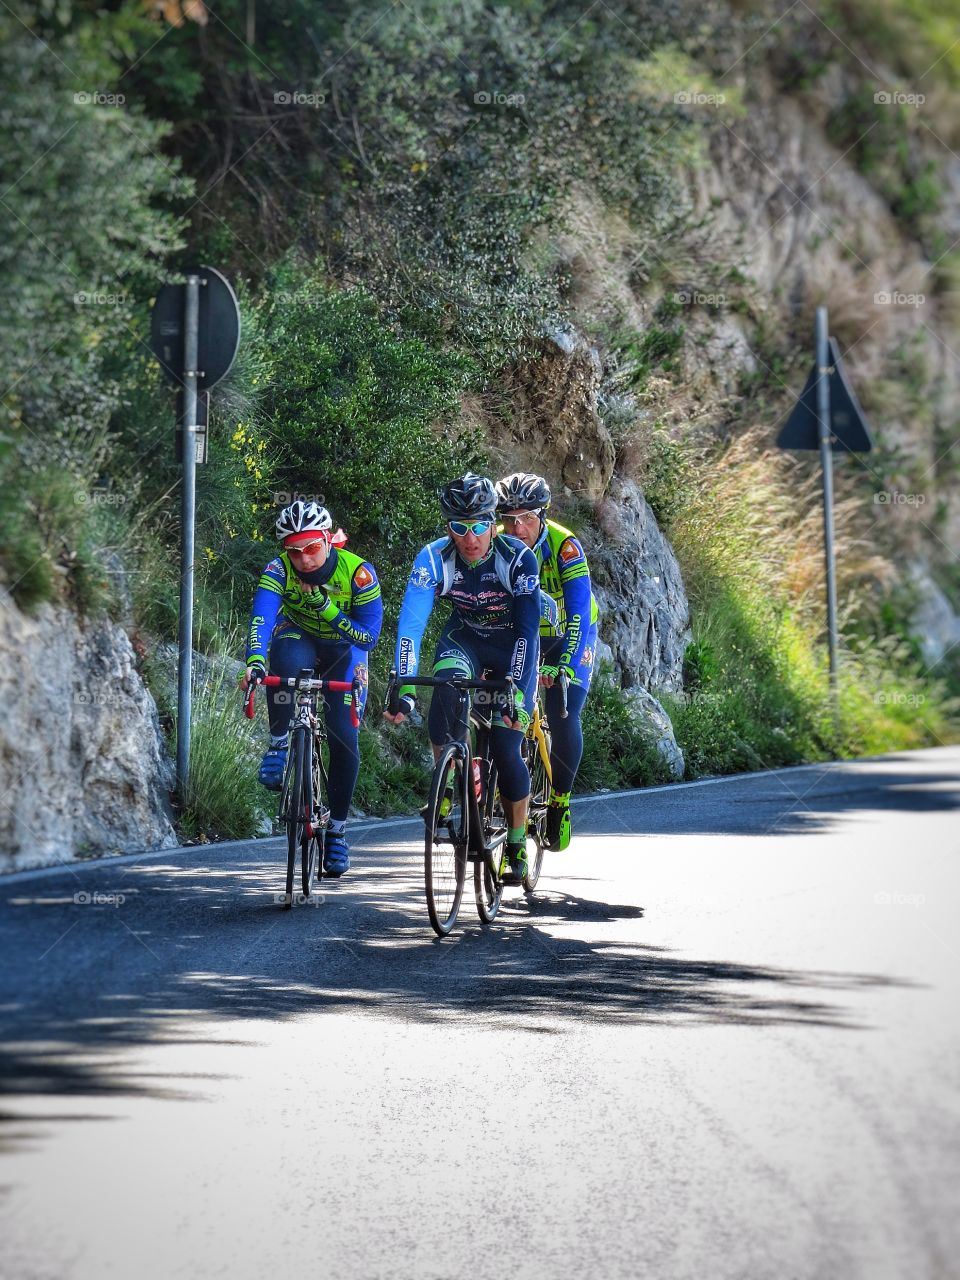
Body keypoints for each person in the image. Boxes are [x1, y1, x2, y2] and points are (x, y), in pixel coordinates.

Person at [383, 473, 541, 882]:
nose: (469, 538)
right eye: (458, 526)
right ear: (447, 527)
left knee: (507, 750)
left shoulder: (519, 559)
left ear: (493, 523)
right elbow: (411, 627)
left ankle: (518, 845)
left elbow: (527, 633)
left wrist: (517, 696)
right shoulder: (433, 559)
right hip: (465, 639)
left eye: (478, 526)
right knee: (444, 704)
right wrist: (403, 688)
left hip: (513, 649)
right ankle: (448, 786)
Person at [244, 499, 382, 877]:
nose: (304, 559)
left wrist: (325, 607)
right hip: (299, 636)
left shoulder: (359, 574)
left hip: (346, 649)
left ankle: (336, 831)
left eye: (312, 548)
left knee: (344, 737)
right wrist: (254, 662)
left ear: (327, 540)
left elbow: (368, 637)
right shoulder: (278, 570)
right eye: (295, 551)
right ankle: (279, 745)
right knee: (283, 660)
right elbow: (261, 619)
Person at [495, 472, 599, 852]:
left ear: (543, 514)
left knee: (563, 712)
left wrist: (566, 664)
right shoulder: (494, 542)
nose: (517, 527)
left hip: (570, 632)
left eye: (526, 518)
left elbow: (577, 612)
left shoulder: (564, 545)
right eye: (508, 518)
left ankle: (560, 800)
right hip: (522, 631)